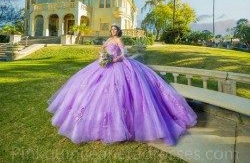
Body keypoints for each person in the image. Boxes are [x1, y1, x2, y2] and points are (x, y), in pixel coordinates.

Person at [47, 24, 197, 145]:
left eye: (115, 29)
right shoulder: (108, 40)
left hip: (117, 65)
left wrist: (112, 60)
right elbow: (102, 50)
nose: (113, 31)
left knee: (120, 92)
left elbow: (124, 55)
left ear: (118, 31)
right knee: (91, 89)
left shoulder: (118, 41)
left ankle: (120, 127)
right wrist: (102, 57)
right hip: (104, 65)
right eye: (111, 29)